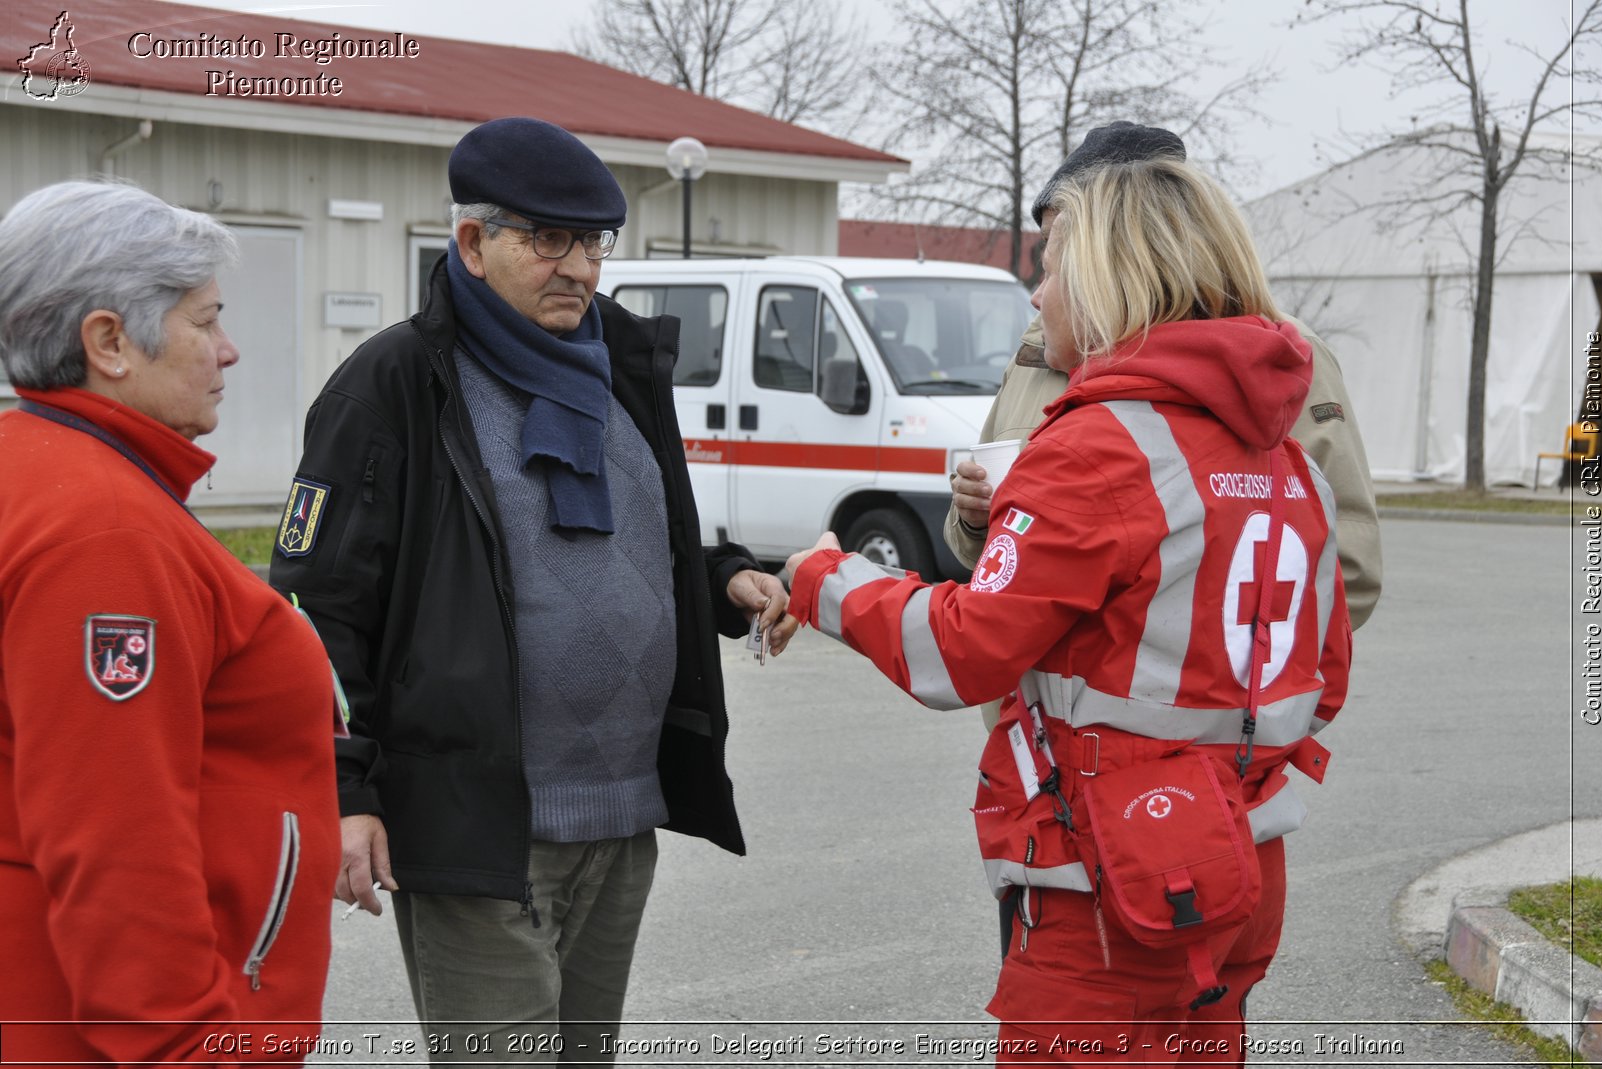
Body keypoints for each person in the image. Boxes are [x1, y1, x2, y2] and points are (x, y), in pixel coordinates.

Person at [783, 154, 1351, 1063]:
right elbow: (1322, 685)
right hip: (1238, 866)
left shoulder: (1098, 446)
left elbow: (959, 652)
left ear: (1110, 277)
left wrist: (825, 579)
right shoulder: (1290, 463)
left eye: (1049, 267)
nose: (1035, 294)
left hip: (1109, 883)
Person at [269, 117, 794, 1063]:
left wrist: (726, 580)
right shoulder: (391, 384)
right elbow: (313, 608)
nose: (580, 269)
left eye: (592, 242)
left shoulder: (622, 366)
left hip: (622, 817)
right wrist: (343, 787)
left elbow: (647, 530)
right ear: (472, 242)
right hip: (478, 828)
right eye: (548, 238)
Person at [0, 181, 340, 1064]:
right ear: (109, 342)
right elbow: (114, 837)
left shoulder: (37, 469)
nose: (228, 351)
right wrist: (191, 1047)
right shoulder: (101, 532)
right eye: (205, 320)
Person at [945, 122, 1382, 633]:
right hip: (1035, 703)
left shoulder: (1276, 356)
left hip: (1176, 704)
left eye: (1070, 242)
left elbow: (1345, 564)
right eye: (1051, 245)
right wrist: (975, 521)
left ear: (1136, 234)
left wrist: (1201, 672)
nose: (1048, 282)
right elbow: (996, 559)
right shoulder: (1037, 348)